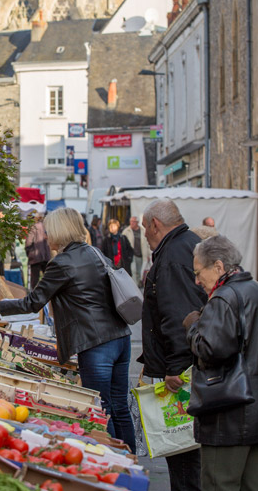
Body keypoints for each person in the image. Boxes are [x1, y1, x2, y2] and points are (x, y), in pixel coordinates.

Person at [0, 208, 136, 452]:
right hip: (120, 338)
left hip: (95, 342)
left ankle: (113, 464)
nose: (46, 237)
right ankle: (130, 463)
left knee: (101, 410)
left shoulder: (63, 263)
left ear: (59, 231)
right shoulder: (94, 252)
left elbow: (32, 302)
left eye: (48, 232)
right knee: (119, 406)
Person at [140, 198, 207, 491]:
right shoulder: (188, 243)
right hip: (193, 364)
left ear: (156, 224)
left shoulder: (172, 255)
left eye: (144, 227)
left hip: (184, 369)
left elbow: (180, 315)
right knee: (190, 448)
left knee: (184, 449)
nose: (143, 234)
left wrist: (176, 368)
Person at [183, 236, 258, 491]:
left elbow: (211, 349)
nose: (196, 280)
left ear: (218, 267)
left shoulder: (224, 297)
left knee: (220, 483)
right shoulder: (253, 289)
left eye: (198, 272)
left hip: (228, 411)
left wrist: (193, 328)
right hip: (252, 408)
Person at [122, 216, 150, 287]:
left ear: (137, 222)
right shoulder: (126, 231)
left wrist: (148, 254)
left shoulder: (143, 230)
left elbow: (148, 243)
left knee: (141, 272)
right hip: (132, 255)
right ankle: (135, 286)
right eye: (131, 221)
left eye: (133, 221)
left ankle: (140, 284)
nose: (132, 223)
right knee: (133, 271)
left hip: (142, 254)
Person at [25, 213, 51, 289]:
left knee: (34, 279)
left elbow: (28, 242)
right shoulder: (45, 226)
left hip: (35, 256)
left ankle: (34, 297)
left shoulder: (33, 227)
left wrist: (28, 252)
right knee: (47, 278)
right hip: (46, 255)